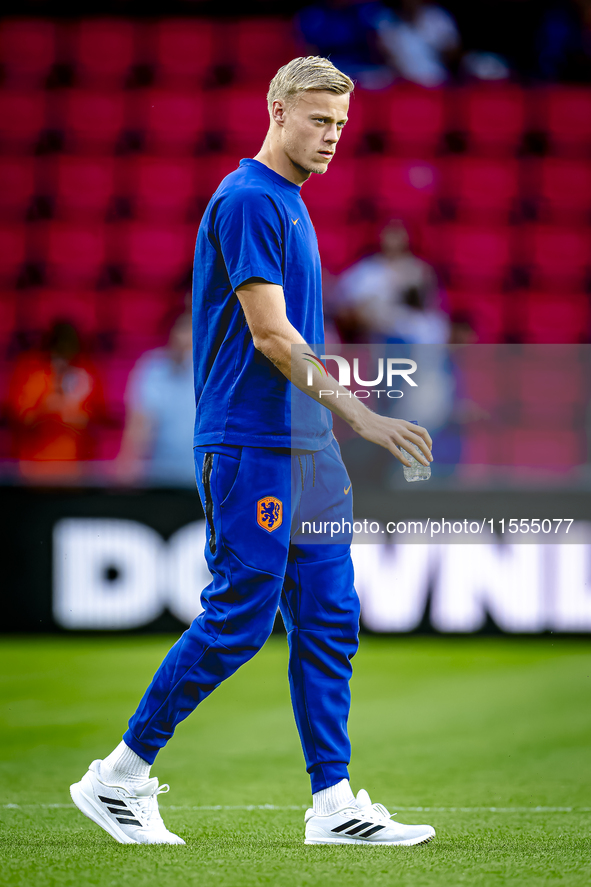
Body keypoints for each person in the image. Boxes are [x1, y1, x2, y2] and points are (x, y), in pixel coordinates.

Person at [70, 56, 435, 848]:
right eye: (317, 119)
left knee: (331, 614)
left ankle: (332, 802)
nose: (331, 137)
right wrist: (364, 417)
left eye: (340, 124)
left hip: (306, 445)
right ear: (276, 109)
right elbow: (272, 336)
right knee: (240, 615)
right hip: (251, 439)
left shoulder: (290, 204)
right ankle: (118, 777)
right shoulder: (246, 200)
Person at [6, 321, 107, 481]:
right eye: (58, 353)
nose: (62, 360)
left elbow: (91, 422)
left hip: (75, 470)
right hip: (33, 469)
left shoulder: (86, 374)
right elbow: (23, 419)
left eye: (68, 353)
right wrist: (48, 407)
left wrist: (65, 411)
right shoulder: (31, 374)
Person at [116, 311, 195, 487]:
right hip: (161, 475)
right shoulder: (152, 367)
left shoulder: (214, 369)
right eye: (181, 329)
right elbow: (140, 421)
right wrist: (128, 461)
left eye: (191, 330)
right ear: (171, 333)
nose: (186, 337)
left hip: (205, 475)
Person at [336, 219, 447, 344]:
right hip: (371, 330)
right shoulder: (366, 270)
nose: (393, 240)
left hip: (408, 328)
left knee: (432, 328)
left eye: (397, 235)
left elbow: (429, 304)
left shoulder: (419, 270)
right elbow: (346, 308)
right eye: (390, 234)